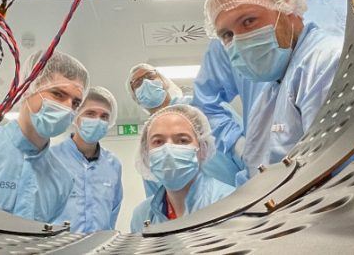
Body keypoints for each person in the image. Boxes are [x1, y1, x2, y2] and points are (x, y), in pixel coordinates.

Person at [192, 0, 348, 172]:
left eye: (250, 21)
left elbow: (330, 167)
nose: (240, 38)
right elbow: (206, 103)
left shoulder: (329, 49)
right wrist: (240, 146)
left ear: (292, 13)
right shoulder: (267, 96)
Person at [203, 0, 343, 183]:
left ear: (289, 9)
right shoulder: (270, 94)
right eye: (227, 35)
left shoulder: (325, 62)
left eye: (248, 21)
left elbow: (333, 177)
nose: (239, 40)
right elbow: (256, 179)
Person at [0, 50, 88, 223]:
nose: (68, 108)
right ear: (27, 89)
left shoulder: (62, 180)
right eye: (57, 94)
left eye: (75, 103)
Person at [128, 64, 241, 190]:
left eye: (150, 76)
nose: (146, 83)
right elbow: (156, 195)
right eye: (137, 83)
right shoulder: (148, 142)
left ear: (164, 82)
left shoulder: (204, 106)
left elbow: (246, 147)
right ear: (135, 97)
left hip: (237, 197)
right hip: (189, 208)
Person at [130, 105, 234, 233]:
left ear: (202, 149)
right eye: (158, 141)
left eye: (182, 140)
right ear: (146, 154)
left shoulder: (228, 201)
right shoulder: (142, 215)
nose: (168, 150)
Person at [53, 87, 122, 233]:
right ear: (75, 115)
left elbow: (113, 212)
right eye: (90, 114)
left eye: (104, 116)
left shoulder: (113, 165)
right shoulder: (51, 159)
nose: (97, 120)